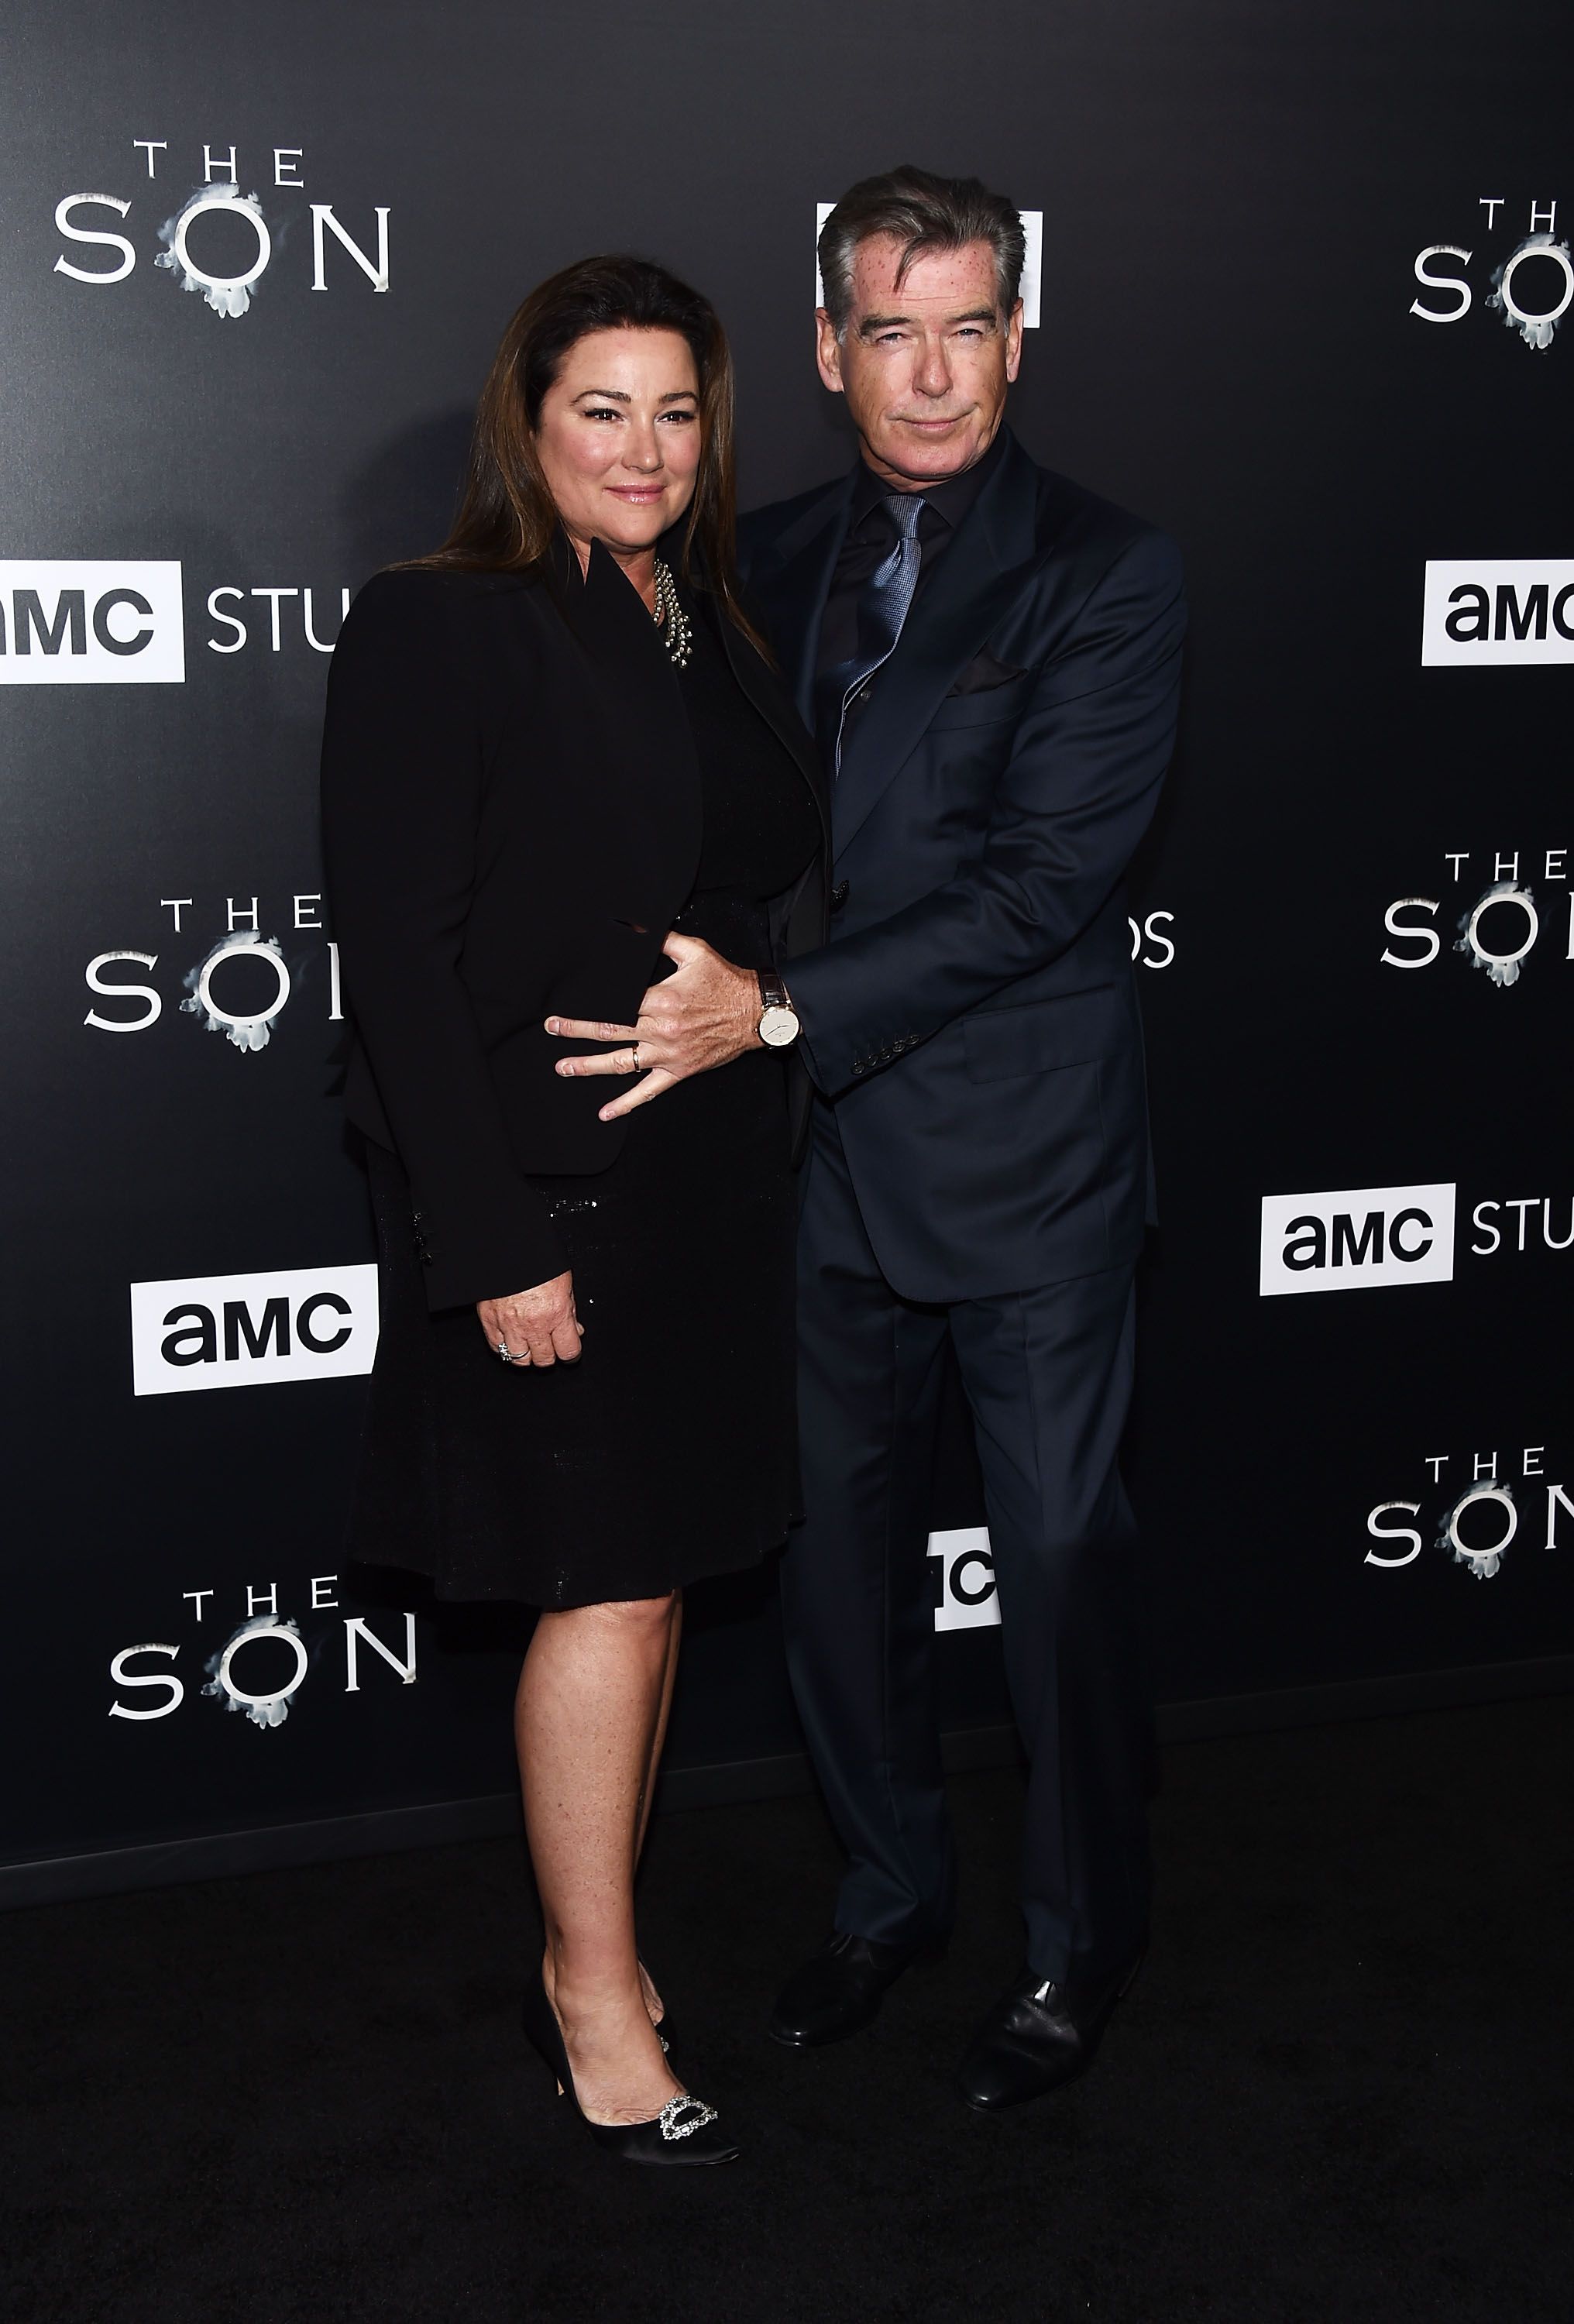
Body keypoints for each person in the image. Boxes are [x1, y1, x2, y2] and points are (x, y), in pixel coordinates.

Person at [553, 168, 1184, 2110]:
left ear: (1017, 338)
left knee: (1059, 1563)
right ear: (827, 348)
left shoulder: (1103, 565)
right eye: (889, 330)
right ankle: (890, 1891)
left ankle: (1076, 1948)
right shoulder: (756, 549)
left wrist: (776, 1009)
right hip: (801, 1168)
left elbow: (1042, 883)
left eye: (968, 326)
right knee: (834, 1567)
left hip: (1024, 1164)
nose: (931, 374)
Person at [320, 254, 827, 2165]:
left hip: (709, 1170)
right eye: (600, 408)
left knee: (664, 1572)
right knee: (603, 1589)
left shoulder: (710, 622)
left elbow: (756, 891)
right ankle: (590, 1990)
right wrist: (495, 1241)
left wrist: (753, 1017)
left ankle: (600, 1946)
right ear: (527, 426)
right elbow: (395, 953)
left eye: (676, 410)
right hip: (555, 1187)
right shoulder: (441, 623)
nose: (643, 446)